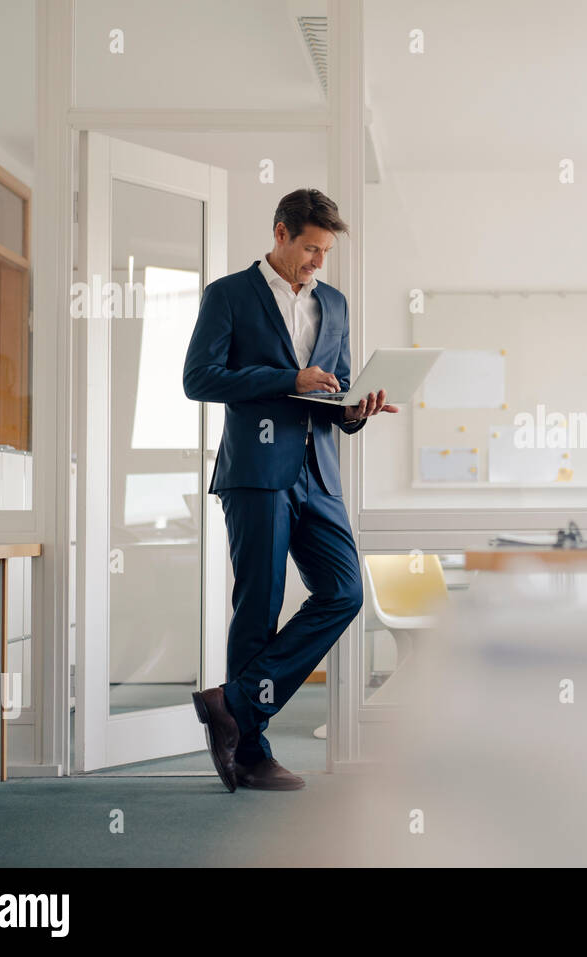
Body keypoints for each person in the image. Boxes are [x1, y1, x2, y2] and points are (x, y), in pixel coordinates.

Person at [183, 188, 397, 791]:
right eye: (310, 248)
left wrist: (358, 409)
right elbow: (200, 378)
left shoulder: (334, 303)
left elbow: (336, 392)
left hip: (319, 473)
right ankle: (250, 753)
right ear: (280, 234)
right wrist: (287, 377)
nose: (317, 262)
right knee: (259, 605)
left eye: (325, 251)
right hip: (256, 472)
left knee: (344, 592)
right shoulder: (228, 295)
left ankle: (235, 704)